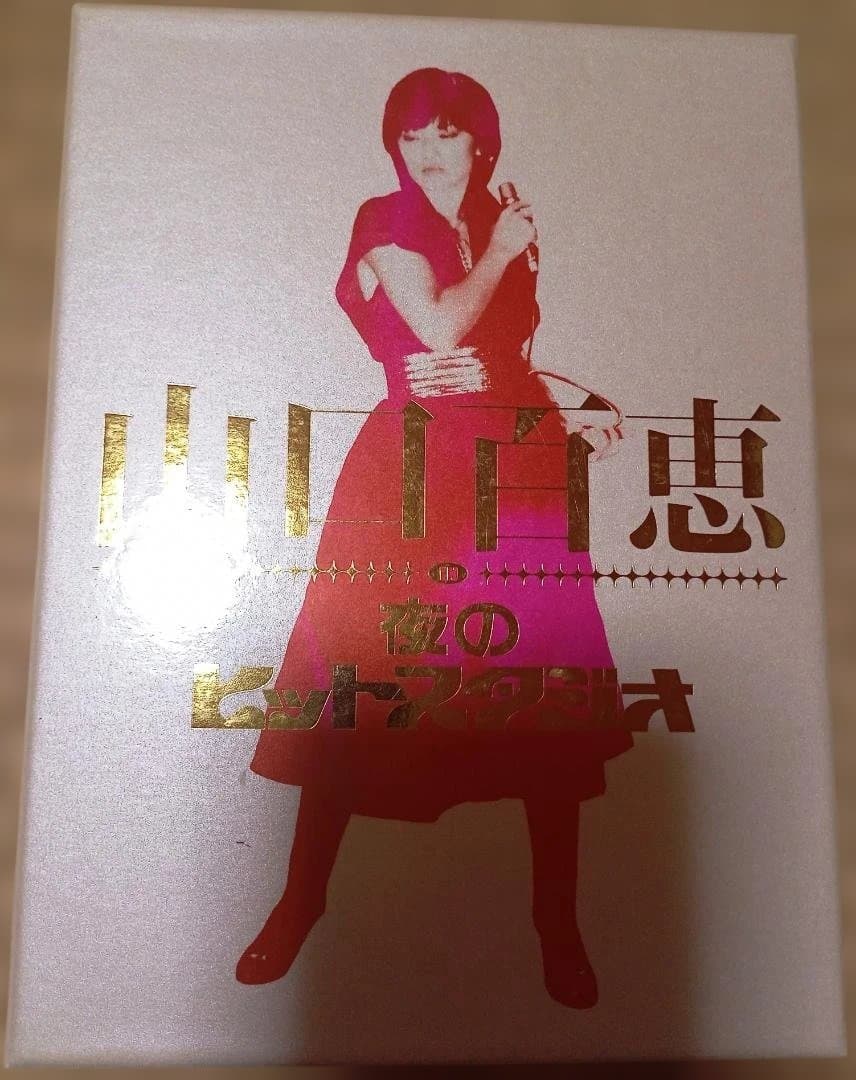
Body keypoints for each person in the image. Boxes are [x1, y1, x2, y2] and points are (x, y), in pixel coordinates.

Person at [236, 68, 632, 1009]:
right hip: (410, 471)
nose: (425, 152)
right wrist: (500, 252)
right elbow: (441, 329)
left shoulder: (499, 223)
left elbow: (501, 358)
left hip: (519, 468)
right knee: (361, 685)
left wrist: (577, 401)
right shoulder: (387, 220)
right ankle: (299, 903)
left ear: (481, 141)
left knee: (540, 691)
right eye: (409, 135)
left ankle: (557, 922)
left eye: (445, 133)